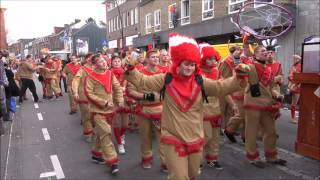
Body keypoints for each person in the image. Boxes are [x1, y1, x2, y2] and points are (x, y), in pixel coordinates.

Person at [125, 32, 247, 180]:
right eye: (186, 64)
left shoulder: (200, 81)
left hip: (195, 135)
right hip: (173, 136)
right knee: (178, 176)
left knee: (193, 174)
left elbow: (220, 87)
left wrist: (238, 76)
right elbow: (143, 81)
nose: (189, 67)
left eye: (192, 64)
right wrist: (130, 68)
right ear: (178, 63)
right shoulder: (167, 79)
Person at [243, 45, 286, 168]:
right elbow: (241, 67)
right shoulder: (250, 66)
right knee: (251, 132)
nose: (265, 53)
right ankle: (253, 157)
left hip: (266, 103)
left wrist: (278, 95)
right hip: (253, 103)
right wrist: (245, 49)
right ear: (255, 54)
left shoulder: (269, 69)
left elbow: (272, 87)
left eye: (266, 51)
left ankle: (271, 156)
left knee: (271, 131)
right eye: (262, 51)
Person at [126, 49, 167, 171]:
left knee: (163, 138)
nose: (155, 59)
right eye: (153, 57)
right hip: (144, 110)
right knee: (145, 136)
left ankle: (165, 162)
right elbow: (130, 91)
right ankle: (146, 158)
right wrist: (147, 96)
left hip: (160, 110)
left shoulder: (164, 73)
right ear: (147, 59)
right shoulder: (138, 73)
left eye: (156, 57)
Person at [85, 54, 123, 175]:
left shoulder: (110, 74)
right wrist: (104, 102)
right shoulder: (90, 77)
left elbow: (117, 88)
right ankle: (112, 162)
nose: (104, 63)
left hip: (111, 110)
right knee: (106, 133)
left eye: (104, 60)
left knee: (101, 134)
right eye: (101, 62)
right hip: (98, 111)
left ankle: (96, 154)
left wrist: (120, 100)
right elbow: (89, 94)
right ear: (95, 64)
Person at [199, 43, 223, 169]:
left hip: (216, 107)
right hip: (202, 108)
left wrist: (233, 105)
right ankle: (199, 159)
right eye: (209, 58)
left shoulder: (217, 71)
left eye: (214, 58)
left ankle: (212, 158)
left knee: (215, 136)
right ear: (203, 59)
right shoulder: (197, 72)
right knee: (205, 136)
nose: (213, 61)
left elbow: (222, 88)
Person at [72, 53, 94, 141]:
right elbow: (76, 80)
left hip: (96, 96)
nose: (91, 60)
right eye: (90, 58)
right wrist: (75, 92)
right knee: (87, 115)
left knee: (96, 115)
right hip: (84, 95)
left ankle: (94, 130)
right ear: (86, 59)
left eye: (93, 58)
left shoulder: (98, 69)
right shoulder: (82, 69)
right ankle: (88, 133)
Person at [110, 55, 128, 154]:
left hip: (125, 99)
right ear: (111, 63)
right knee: (116, 123)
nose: (117, 63)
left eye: (118, 61)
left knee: (125, 124)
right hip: (114, 100)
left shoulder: (126, 73)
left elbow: (129, 83)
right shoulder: (108, 73)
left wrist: (125, 87)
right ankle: (120, 143)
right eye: (115, 61)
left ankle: (121, 135)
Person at [288, 54, 301, 124]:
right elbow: (290, 75)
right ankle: (293, 117)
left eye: (296, 58)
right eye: (294, 58)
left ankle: (294, 116)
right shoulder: (294, 66)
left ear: (299, 59)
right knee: (294, 103)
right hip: (295, 86)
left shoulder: (300, 66)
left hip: (298, 85)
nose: (294, 60)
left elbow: (300, 76)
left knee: (295, 103)